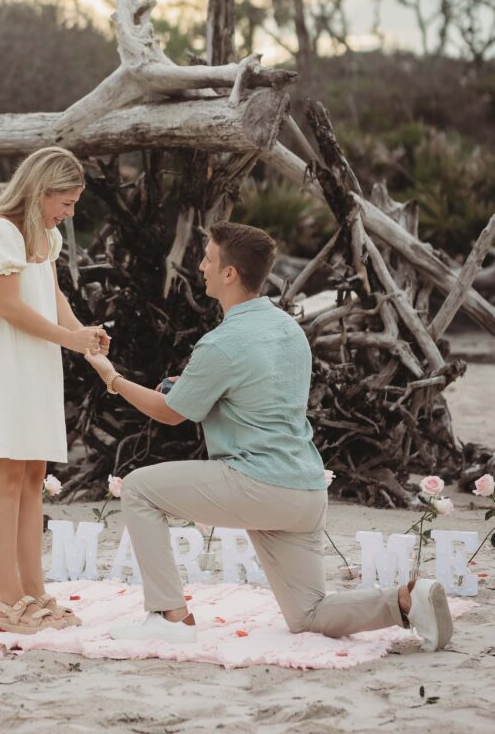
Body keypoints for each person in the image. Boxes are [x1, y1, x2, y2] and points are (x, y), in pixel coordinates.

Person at [85, 221, 453, 652]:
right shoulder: (288, 329)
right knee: (307, 614)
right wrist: (188, 386)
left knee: (139, 489)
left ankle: (170, 617)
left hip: (257, 484)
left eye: (208, 257)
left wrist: (113, 379)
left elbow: (169, 414)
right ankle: (406, 600)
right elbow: (253, 391)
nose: (200, 265)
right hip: (305, 491)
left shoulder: (221, 343)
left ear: (229, 273)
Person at [0, 146, 109, 635]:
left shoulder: (45, 235)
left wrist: (86, 340)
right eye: (66, 201)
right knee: (7, 477)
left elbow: (52, 296)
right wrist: (70, 340)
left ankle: (35, 593)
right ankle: (8, 601)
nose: (69, 213)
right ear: (40, 190)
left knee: (34, 475)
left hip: (32, 362)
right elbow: (10, 309)